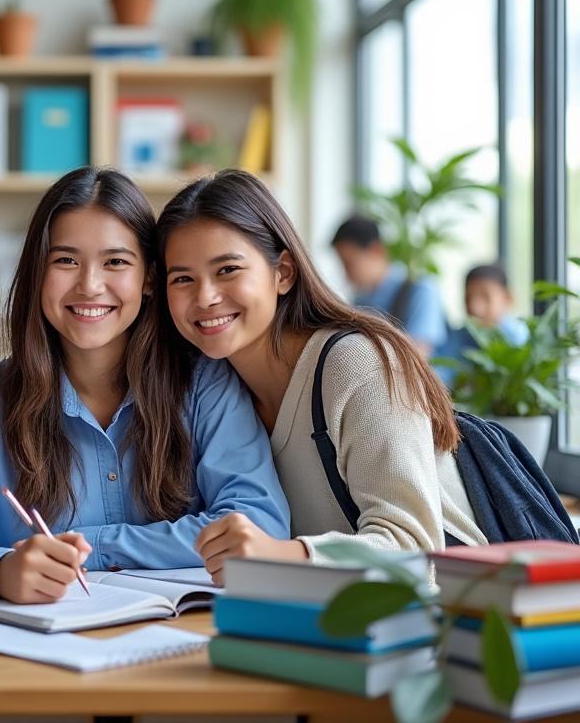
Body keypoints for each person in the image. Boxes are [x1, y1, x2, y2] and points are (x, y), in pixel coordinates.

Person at [0, 167, 290, 603]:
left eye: (115, 262)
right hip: (32, 653)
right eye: (66, 261)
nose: (89, 285)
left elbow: (258, 526)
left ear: (148, 279)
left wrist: (96, 546)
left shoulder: (204, 382)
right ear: (38, 273)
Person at [157, 170, 484, 584]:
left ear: (284, 273)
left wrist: (282, 554)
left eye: (228, 270)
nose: (205, 297)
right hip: (322, 624)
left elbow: (416, 549)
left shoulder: (357, 364)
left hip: (452, 619)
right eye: (182, 278)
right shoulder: (213, 386)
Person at [331, 215, 448, 357]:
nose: (346, 275)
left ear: (376, 250)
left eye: (349, 264)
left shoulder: (421, 291)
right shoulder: (360, 302)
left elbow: (419, 355)